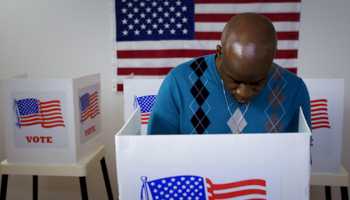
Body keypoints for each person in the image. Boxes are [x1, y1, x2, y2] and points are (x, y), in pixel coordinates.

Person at [147, 13, 311, 135]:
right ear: (220, 52)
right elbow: (156, 156)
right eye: (234, 80)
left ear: (273, 55)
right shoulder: (178, 83)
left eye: (257, 82)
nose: (244, 93)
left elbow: (298, 165)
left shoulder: (294, 91)